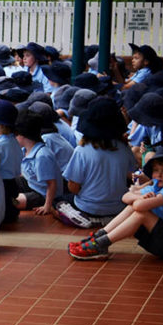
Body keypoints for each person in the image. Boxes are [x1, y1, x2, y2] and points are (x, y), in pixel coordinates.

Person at [69, 148, 163, 260]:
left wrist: (139, 198)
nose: (159, 175)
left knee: (141, 213)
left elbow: (138, 206)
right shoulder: (157, 186)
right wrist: (141, 196)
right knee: (133, 206)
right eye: (156, 170)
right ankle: (99, 237)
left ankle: (101, 244)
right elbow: (125, 197)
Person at [59, 98, 136, 229]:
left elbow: (73, 186)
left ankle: (88, 219)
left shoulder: (82, 150)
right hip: (119, 205)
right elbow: (131, 174)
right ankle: (112, 219)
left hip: (88, 207)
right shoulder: (124, 148)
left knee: (59, 202)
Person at [14, 108, 61, 217]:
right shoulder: (24, 150)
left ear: (22, 135)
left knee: (14, 202)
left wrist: (47, 206)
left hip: (42, 194)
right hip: (31, 184)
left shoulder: (42, 155)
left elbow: (51, 184)